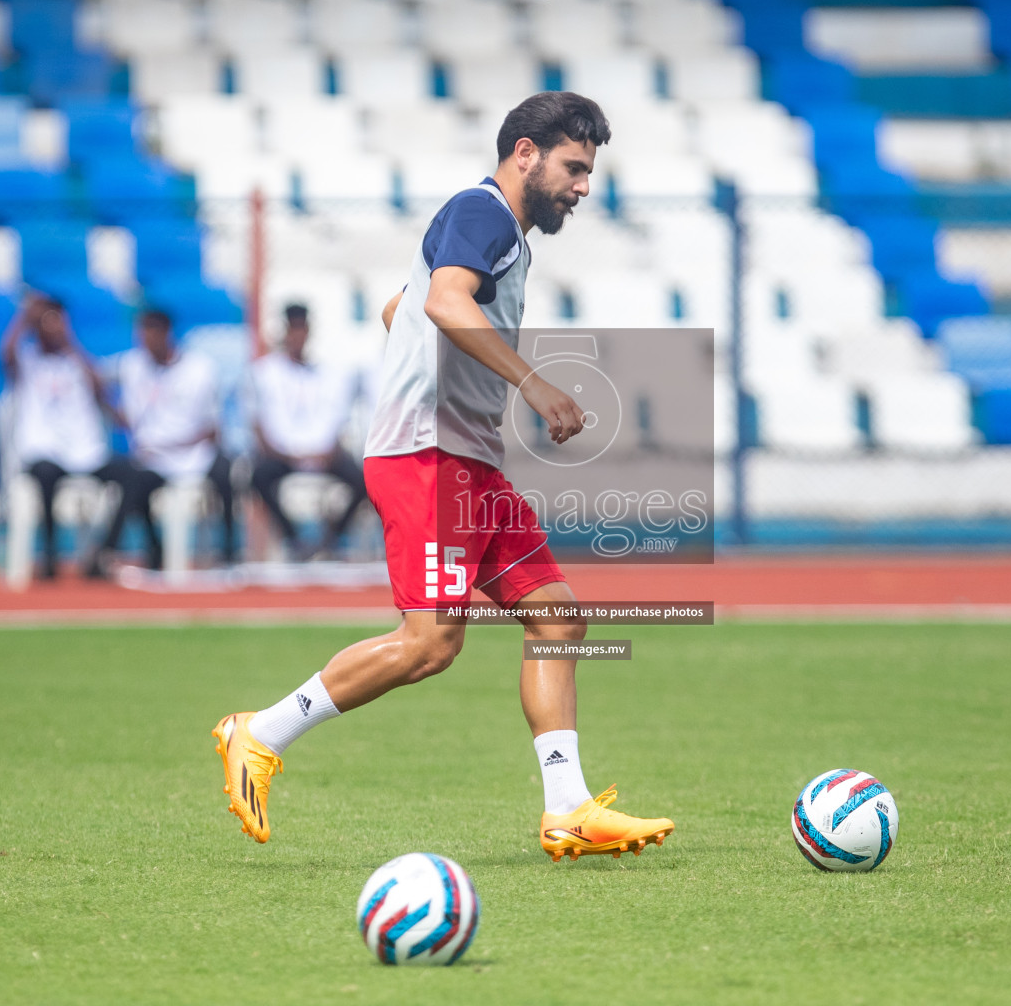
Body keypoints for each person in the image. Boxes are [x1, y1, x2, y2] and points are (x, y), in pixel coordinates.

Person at [212, 91, 675, 860]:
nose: (584, 187)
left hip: (469, 465)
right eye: (574, 167)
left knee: (557, 618)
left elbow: (401, 309)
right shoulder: (483, 210)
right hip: (426, 462)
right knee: (429, 644)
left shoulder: (502, 239)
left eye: (589, 172)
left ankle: (567, 808)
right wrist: (530, 383)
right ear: (524, 152)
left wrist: (444, 372)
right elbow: (439, 299)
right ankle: (258, 732)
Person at [90, 309, 236, 573]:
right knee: (130, 482)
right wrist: (110, 409)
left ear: (166, 333)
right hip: (151, 458)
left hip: (192, 456)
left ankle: (228, 551)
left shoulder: (200, 369)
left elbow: (213, 430)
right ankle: (114, 551)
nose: (144, 340)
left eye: (150, 333)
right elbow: (94, 375)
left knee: (225, 471)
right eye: (141, 333)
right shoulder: (132, 365)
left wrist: (172, 446)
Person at [0, 292, 117, 580]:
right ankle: (50, 555)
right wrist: (25, 318)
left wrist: (69, 342)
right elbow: (6, 355)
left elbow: (100, 390)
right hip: (45, 453)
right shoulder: (28, 360)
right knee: (45, 474)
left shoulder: (76, 362)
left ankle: (100, 553)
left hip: (84, 453)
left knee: (129, 474)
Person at [248, 304, 369, 560]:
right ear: (284, 332)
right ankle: (293, 539)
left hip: (323, 454)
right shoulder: (264, 372)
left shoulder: (326, 373)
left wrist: (328, 451)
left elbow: (338, 420)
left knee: (363, 481)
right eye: (293, 329)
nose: (297, 336)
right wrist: (286, 455)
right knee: (259, 478)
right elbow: (258, 425)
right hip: (282, 456)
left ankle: (332, 537)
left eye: (302, 329)